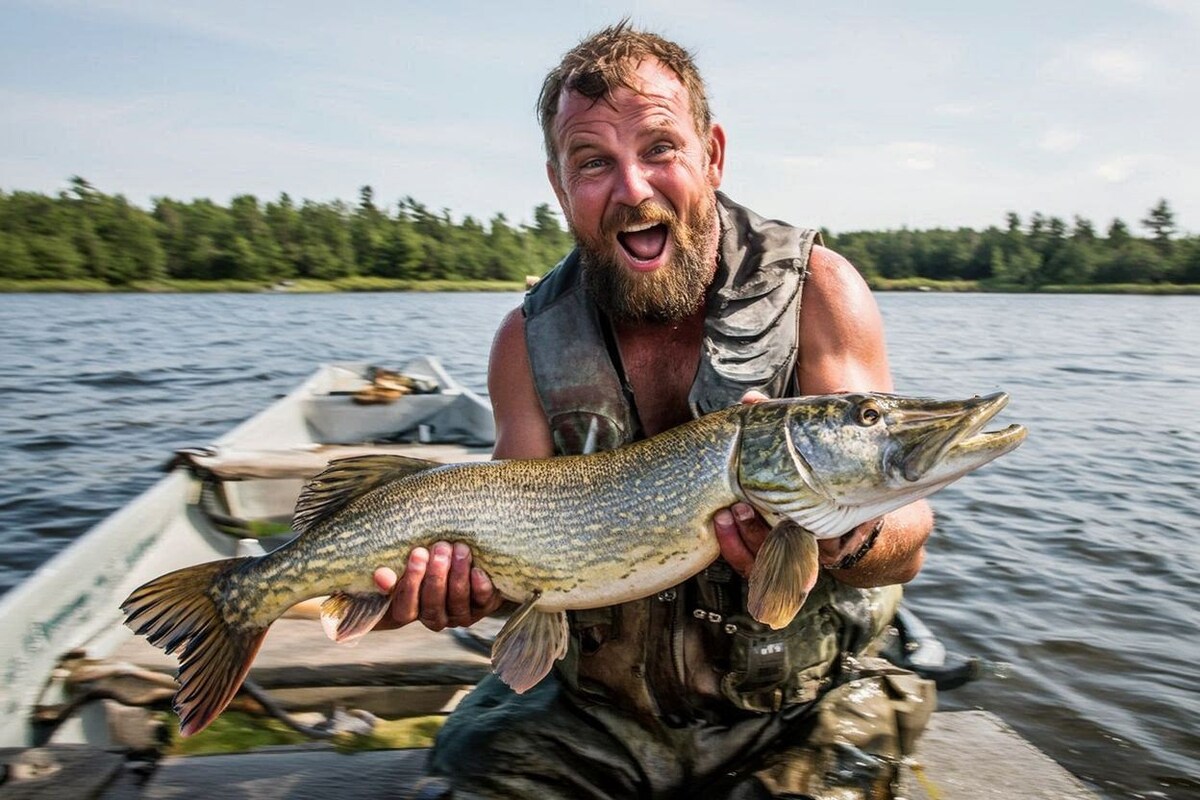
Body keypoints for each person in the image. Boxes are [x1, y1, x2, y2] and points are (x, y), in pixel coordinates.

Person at [374, 22, 937, 799]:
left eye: (660, 149)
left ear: (712, 154)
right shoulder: (527, 340)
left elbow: (907, 541)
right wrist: (464, 587)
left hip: (797, 707)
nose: (633, 189)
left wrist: (848, 533)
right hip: (597, 714)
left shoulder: (819, 291)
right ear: (559, 185)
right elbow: (515, 558)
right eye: (594, 162)